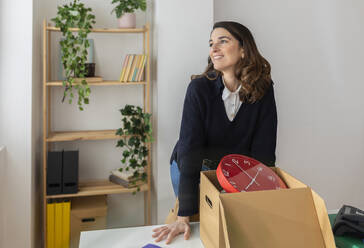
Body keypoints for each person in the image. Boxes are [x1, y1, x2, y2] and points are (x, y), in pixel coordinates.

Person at [152, 21, 277, 244]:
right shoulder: (199, 89)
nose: (214, 49)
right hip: (194, 165)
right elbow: (190, 151)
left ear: (243, 49)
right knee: (195, 227)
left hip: (235, 170)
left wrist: (261, 204)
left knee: (234, 227)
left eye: (223, 41)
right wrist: (183, 215)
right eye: (211, 43)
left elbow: (264, 151)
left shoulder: (263, 89)